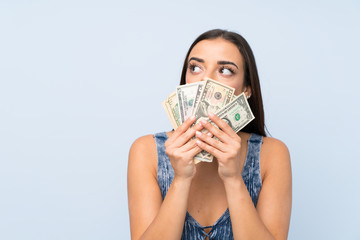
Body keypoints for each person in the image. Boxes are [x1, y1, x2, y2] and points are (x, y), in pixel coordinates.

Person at [128, 29, 292, 240]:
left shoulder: (272, 154)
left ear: (246, 90)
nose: (205, 80)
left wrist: (233, 179)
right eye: (195, 68)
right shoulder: (147, 151)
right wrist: (180, 179)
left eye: (225, 70)